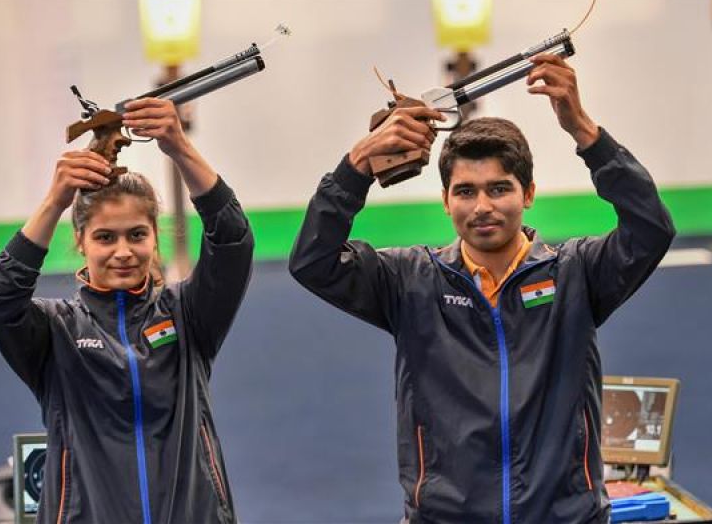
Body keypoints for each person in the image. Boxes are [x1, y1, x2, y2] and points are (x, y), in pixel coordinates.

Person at [288, 55, 675, 523]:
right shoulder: (409, 281)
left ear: (528, 194)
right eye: (466, 191)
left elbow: (651, 229)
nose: (483, 206)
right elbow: (312, 260)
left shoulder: (576, 273)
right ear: (446, 200)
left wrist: (585, 132)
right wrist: (356, 166)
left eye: (499, 189)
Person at [0, 98, 253, 524]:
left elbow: (233, 241)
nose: (123, 252)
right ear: (81, 242)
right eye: (105, 237)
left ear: (153, 239)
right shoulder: (56, 331)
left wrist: (179, 147)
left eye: (137, 235)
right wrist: (54, 202)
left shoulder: (188, 314)